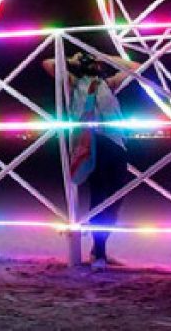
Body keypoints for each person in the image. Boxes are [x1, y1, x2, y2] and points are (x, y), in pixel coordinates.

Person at [41, 49, 141, 270]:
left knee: (116, 198)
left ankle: (99, 248)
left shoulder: (109, 84)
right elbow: (48, 63)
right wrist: (73, 60)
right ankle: (100, 254)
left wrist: (105, 58)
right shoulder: (73, 83)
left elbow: (135, 68)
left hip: (115, 141)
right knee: (98, 195)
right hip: (90, 142)